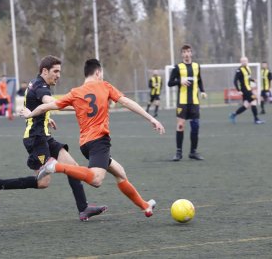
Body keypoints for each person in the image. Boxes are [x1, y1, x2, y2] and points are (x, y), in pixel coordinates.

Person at [23, 58, 165, 218]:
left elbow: (47, 106)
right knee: (96, 180)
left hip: (85, 144)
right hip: (99, 142)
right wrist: (151, 118)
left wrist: (30, 113)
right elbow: (126, 102)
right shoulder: (104, 86)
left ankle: (145, 206)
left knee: (120, 173)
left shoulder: (75, 92)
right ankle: (55, 167)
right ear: (98, 72)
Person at [0, 55, 107, 221]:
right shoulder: (41, 86)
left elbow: (37, 105)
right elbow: (49, 101)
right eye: (55, 71)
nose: (58, 75)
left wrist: (47, 118)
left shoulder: (36, 83)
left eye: (59, 71)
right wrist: (81, 107)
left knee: (73, 167)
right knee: (43, 182)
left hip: (44, 136)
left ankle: (83, 209)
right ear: (44, 71)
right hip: (36, 139)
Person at [167, 44, 207, 161]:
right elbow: (170, 83)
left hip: (194, 101)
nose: (186, 54)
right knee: (180, 125)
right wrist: (180, 80)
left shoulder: (196, 66)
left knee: (195, 126)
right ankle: (178, 153)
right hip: (182, 102)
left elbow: (199, 80)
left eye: (188, 52)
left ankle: (193, 152)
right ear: (182, 54)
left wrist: (203, 91)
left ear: (191, 53)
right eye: (184, 52)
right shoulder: (177, 68)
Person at [229, 57, 265, 125]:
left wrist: (252, 80)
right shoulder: (239, 70)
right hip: (245, 90)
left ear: (248, 61)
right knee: (254, 101)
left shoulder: (248, 68)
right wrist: (238, 90)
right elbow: (235, 81)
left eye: (246, 61)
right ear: (241, 62)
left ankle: (234, 114)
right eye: (243, 61)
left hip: (248, 89)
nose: (245, 62)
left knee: (246, 106)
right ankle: (256, 119)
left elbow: (247, 78)